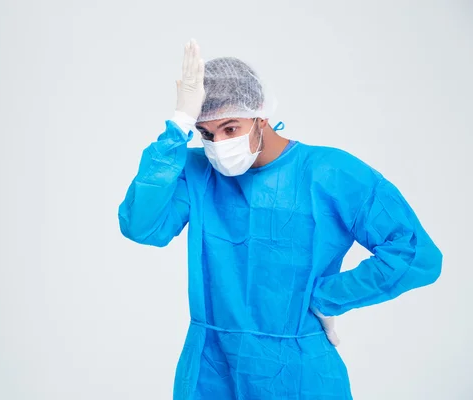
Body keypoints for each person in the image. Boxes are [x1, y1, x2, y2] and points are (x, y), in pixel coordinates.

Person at [118, 39, 442, 400]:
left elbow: (415, 254)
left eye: (230, 128)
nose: (218, 146)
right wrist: (178, 125)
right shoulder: (197, 172)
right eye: (206, 134)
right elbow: (141, 226)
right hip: (211, 369)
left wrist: (326, 298)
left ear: (261, 115)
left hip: (299, 373)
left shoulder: (329, 172)